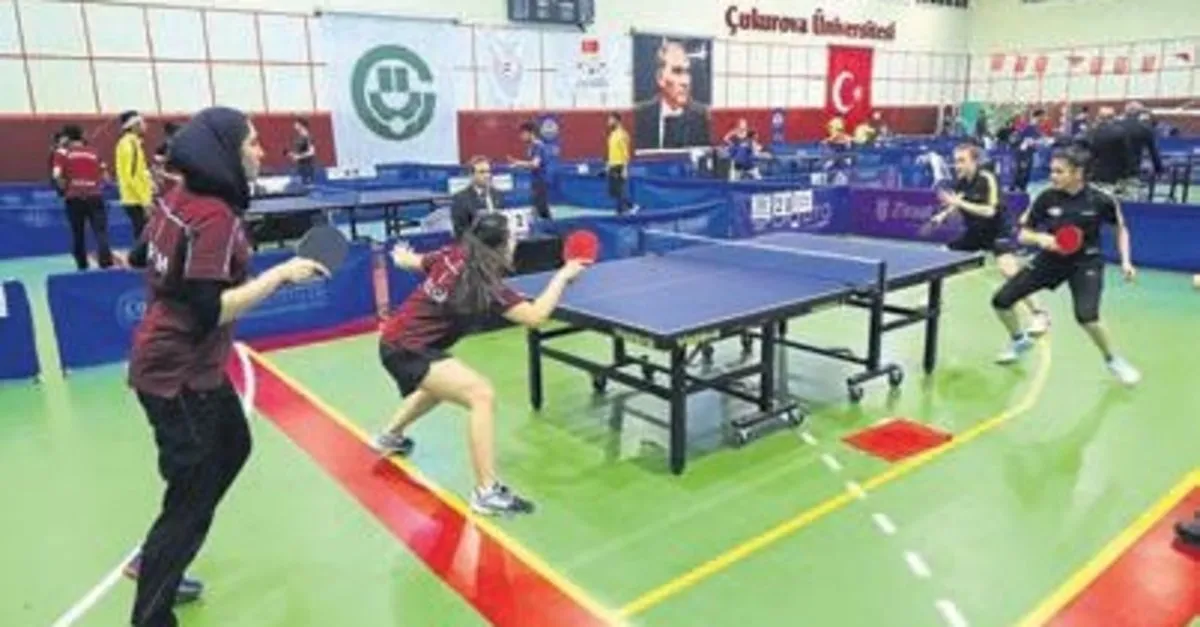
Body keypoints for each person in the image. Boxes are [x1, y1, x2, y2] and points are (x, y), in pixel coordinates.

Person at [123, 107, 328, 627]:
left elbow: (140, 254)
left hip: (189, 368)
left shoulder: (176, 197)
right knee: (191, 495)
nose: (261, 150)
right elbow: (208, 310)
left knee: (233, 445)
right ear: (224, 152)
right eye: (252, 142)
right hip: (177, 376)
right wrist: (279, 275)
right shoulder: (214, 217)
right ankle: (153, 603)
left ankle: (164, 553)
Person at [371, 213, 588, 516]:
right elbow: (536, 316)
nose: (515, 243)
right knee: (480, 394)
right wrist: (563, 276)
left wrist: (400, 257)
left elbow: (414, 262)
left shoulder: (453, 254)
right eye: (512, 238)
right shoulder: (484, 283)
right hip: (408, 348)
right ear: (500, 245)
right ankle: (486, 492)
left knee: (439, 387)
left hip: (398, 340)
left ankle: (390, 436)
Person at [989, 146, 1140, 385]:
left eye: (1059, 171)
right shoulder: (1046, 197)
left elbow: (1121, 229)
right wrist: (1041, 238)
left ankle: (1113, 360)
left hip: (1086, 262)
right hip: (1051, 260)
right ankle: (1018, 340)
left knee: (1087, 317)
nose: (1053, 176)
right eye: (1052, 171)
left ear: (1078, 173)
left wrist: (1126, 261)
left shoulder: (1101, 200)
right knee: (1001, 301)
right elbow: (1022, 234)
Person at [930, 144, 1050, 335]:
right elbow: (959, 199)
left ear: (975, 161)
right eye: (956, 161)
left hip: (998, 231)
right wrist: (943, 215)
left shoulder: (987, 178)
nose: (957, 165)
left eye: (962, 160)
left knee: (1009, 271)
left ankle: (1040, 314)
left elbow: (989, 211)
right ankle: (934, 299)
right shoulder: (961, 181)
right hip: (975, 232)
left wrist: (958, 202)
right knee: (942, 256)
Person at [53, 124, 114, 270]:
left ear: (66, 138)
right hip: (94, 196)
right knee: (100, 232)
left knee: (78, 234)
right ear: (82, 136)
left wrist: (64, 188)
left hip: (74, 198)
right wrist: (97, 184)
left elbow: (56, 175)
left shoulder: (62, 153)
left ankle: (82, 267)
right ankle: (106, 264)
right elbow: (107, 177)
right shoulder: (94, 152)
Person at [633, 39, 711, 149]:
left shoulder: (702, 118)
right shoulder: (639, 116)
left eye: (687, 72)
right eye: (677, 71)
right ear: (660, 78)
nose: (685, 82)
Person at [115, 110, 155, 239]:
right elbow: (132, 176)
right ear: (134, 125)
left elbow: (139, 172)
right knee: (143, 237)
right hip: (135, 199)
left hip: (136, 197)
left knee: (143, 236)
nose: (145, 125)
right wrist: (145, 201)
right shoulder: (129, 144)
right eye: (142, 123)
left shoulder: (132, 143)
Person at [449, 156, 504, 239]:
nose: (487, 175)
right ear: (471, 175)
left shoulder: (497, 194)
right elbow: (459, 231)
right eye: (482, 172)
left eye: (488, 171)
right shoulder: (460, 198)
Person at [510, 122, 553, 221]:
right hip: (535, 180)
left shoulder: (538, 146)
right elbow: (532, 165)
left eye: (523, 133)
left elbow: (535, 164)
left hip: (541, 181)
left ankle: (551, 227)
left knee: (542, 209)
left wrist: (518, 163)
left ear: (531, 133)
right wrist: (519, 164)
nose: (521, 136)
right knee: (537, 207)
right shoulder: (532, 146)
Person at [605, 112, 632, 213]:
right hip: (612, 165)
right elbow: (611, 151)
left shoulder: (622, 134)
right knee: (614, 191)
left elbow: (625, 152)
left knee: (619, 190)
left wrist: (625, 168)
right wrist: (608, 164)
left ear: (616, 121)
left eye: (610, 120)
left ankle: (622, 210)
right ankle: (628, 207)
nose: (608, 122)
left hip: (619, 165)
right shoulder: (612, 134)